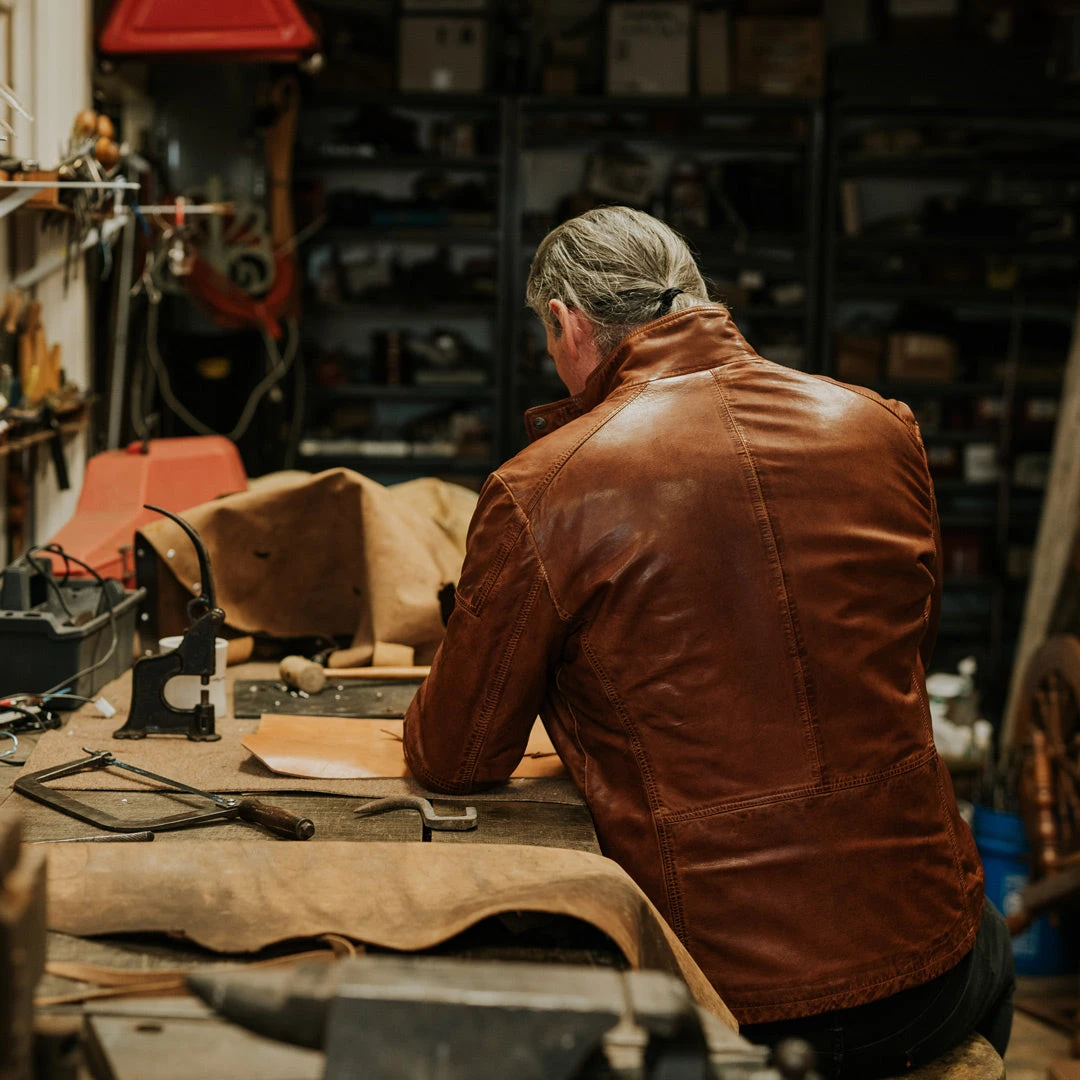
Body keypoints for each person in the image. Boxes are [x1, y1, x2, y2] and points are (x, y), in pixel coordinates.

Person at [403, 206, 1014, 1076]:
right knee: (979, 932)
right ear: (693, 295)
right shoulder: (880, 429)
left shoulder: (546, 485)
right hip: (931, 966)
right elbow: (900, 651)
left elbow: (455, 758)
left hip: (722, 995)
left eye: (548, 336)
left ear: (568, 322)